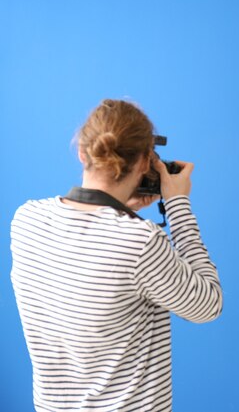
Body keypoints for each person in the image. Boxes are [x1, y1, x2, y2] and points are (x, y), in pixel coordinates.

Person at [10, 99, 223, 412]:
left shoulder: (26, 220)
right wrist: (177, 204)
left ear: (83, 153)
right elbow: (208, 305)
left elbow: (89, 252)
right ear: (143, 163)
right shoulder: (141, 242)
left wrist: (121, 209)